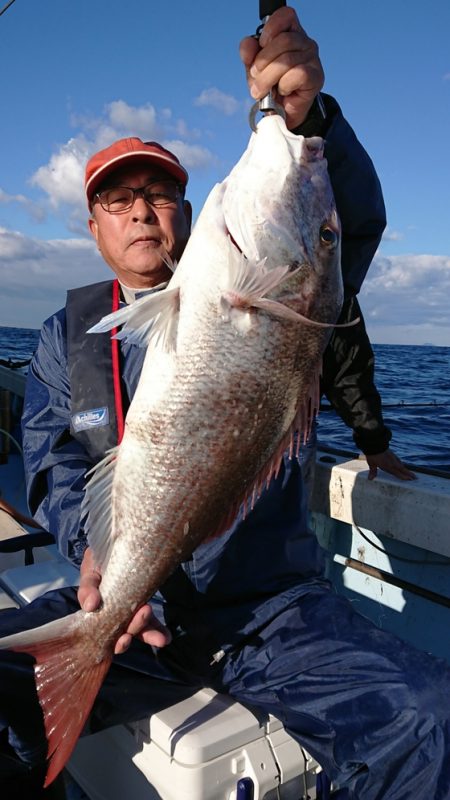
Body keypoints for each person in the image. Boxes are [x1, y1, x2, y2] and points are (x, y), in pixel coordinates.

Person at [0, 7, 448, 800]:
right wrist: (97, 555)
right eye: (119, 199)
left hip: (270, 608)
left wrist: (311, 119)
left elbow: (346, 223)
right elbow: (51, 464)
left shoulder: (269, 291)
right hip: (127, 597)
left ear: (190, 210)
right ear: (95, 225)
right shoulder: (62, 337)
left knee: (428, 713)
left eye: (162, 193)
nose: (142, 210)